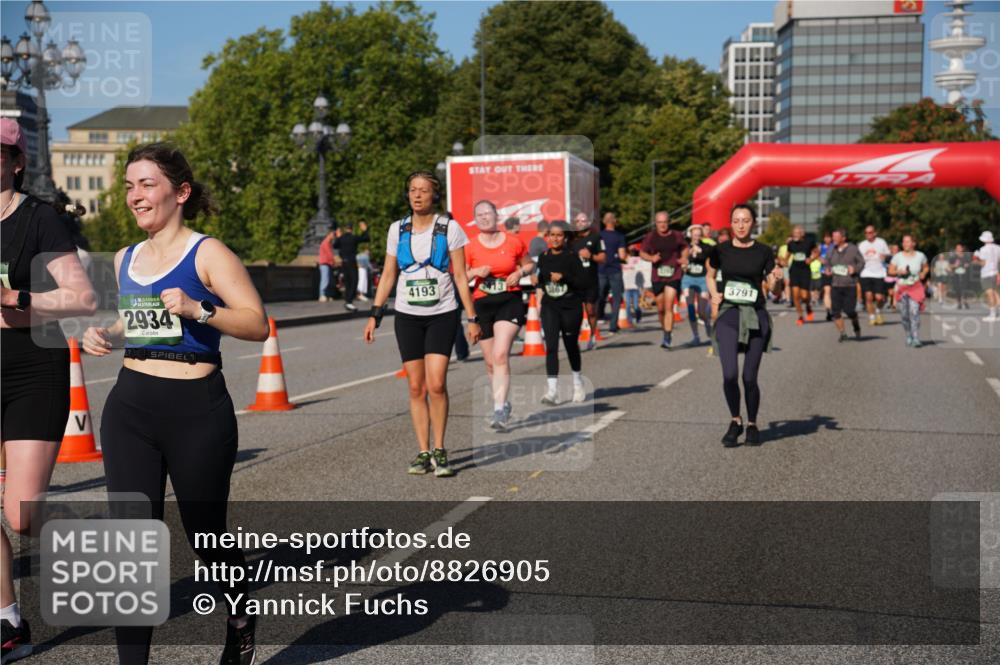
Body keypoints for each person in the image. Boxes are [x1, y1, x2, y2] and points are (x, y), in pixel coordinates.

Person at [81, 143, 268, 665]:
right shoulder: (124, 258)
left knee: (206, 539)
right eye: (128, 186)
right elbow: (140, 323)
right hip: (131, 408)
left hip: (196, 409)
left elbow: (256, 323)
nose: (134, 196)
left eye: (146, 184)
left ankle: (238, 616)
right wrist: (107, 335)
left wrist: (199, 309)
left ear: (180, 193)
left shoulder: (207, 253)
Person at [1, 119, 97, 665]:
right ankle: (10, 621)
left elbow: (82, 298)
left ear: (16, 162)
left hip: (31, 369)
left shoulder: (40, 221)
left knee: (21, 514)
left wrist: (14, 294)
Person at [363, 171, 480, 476]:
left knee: (437, 383)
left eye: (423, 191)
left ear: (433, 195)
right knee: (416, 387)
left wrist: (472, 317)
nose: (416, 195)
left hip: (442, 312)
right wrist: (375, 313)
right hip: (407, 315)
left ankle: (440, 450)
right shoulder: (397, 229)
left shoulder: (449, 228)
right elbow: (389, 274)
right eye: (412, 190)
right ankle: (423, 451)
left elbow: (459, 275)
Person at [706, 203, 781, 447]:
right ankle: (735, 420)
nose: (741, 225)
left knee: (749, 377)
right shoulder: (721, 250)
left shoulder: (763, 251)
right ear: (731, 223)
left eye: (746, 220)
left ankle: (752, 424)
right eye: (736, 220)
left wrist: (778, 279)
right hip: (729, 314)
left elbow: (772, 285)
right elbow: (709, 274)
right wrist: (713, 294)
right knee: (729, 374)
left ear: (753, 223)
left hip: (755, 314)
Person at [464, 200, 533, 430]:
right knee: (490, 362)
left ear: (497, 216)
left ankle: (499, 410)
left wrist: (520, 272)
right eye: (479, 214)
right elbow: (459, 277)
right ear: (476, 219)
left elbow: (530, 264)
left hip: (509, 301)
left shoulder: (513, 242)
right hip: (483, 304)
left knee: (501, 354)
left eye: (488, 213)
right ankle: (502, 400)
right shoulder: (470, 246)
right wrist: (474, 271)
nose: (484, 217)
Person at [534, 221, 588, 404]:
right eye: (552, 235)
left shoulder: (572, 257)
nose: (555, 238)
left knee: (570, 344)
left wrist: (564, 277)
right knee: (551, 346)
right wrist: (538, 285)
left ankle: (578, 383)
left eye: (559, 235)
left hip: (570, 305)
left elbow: (582, 283)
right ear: (547, 237)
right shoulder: (543, 257)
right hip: (550, 306)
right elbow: (541, 281)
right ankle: (552, 391)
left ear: (564, 237)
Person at [639, 210, 688, 349]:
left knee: (669, 305)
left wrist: (684, 257)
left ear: (669, 222)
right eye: (659, 222)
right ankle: (665, 330)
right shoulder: (651, 236)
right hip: (657, 275)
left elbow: (685, 247)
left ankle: (667, 336)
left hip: (674, 272)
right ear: (656, 223)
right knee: (660, 308)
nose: (662, 225)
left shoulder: (677, 235)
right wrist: (651, 258)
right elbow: (642, 252)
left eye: (665, 222)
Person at [570, 212, 605, 349]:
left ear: (588, 223)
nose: (581, 223)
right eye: (578, 221)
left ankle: (592, 336)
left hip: (590, 281)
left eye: (583, 221)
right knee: (575, 313)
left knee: (590, 310)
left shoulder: (596, 238)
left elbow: (603, 258)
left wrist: (590, 256)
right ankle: (575, 340)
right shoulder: (571, 240)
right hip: (574, 282)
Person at [888, 234, 929, 347]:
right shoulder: (898, 256)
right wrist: (899, 272)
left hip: (916, 287)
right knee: (905, 315)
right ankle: (908, 335)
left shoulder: (921, 255)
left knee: (914, 312)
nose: (905, 244)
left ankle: (916, 337)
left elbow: (926, 267)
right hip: (902, 287)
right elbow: (890, 271)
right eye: (904, 242)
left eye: (908, 241)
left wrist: (923, 273)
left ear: (913, 243)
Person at [825, 228, 864, 342]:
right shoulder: (831, 249)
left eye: (836, 237)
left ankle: (855, 323)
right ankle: (843, 333)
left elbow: (861, 262)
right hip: (836, 285)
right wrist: (827, 269)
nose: (833, 239)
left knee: (849, 311)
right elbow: (827, 262)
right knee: (835, 312)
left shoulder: (853, 249)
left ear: (843, 238)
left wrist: (855, 269)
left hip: (850, 285)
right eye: (833, 237)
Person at [681, 224, 712, 346]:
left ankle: (707, 324)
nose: (696, 237)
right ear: (690, 235)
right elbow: (681, 258)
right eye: (694, 235)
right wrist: (687, 256)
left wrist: (701, 251)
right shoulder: (685, 247)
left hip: (702, 279)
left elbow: (711, 254)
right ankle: (696, 336)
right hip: (688, 279)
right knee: (690, 309)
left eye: (699, 235)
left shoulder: (706, 246)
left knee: (702, 311)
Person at [597, 212, 627, 334]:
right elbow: (622, 255)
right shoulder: (619, 236)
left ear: (604, 222)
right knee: (616, 298)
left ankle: (598, 317)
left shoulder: (598, 235)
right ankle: (613, 326)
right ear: (615, 221)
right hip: (615, 269)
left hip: (600, 269)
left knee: (600, 295)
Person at [858, 225, 891, 326]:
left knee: (879, 297)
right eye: (866, 233)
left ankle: (878, 311)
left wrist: (884, 256)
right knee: (868, 297)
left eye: (870, 232)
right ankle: (872, 317)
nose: (868, 234)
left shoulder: (881, 242)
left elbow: (889, 254)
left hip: (879, 273)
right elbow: (857, 258)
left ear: (875, 233)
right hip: (866, 273)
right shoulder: (862, 245)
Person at [334, 220, 369, 311]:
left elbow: (335, 245)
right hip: (351, 262)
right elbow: (366, 238)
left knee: (347, 282)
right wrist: (365, 230)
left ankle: (348, 301)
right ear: (352, 229)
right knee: (354, 281)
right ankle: (349, 301)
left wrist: (338, 237)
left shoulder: (341, 238)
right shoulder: (353, 238)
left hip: (344, 262)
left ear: (345, 229)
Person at [785, 225, 815, 325]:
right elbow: (788, 255)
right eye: (794, 233)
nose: (795, 235)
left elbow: (817, 252)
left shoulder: (809, 242)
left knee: (805, 296)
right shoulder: (791, 244)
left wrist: (811, 259)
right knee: (796, 295)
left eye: (797, 233)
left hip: (805, 271)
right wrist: (784, 261)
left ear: (802, 234)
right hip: (794, 271)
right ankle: (800, 316)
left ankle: (808, 307)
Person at [973, 230, 1000, 321]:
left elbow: (983, 263)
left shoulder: (983, 250)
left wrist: (976, 259)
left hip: (986, 273)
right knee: (996, 293)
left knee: (989, 293)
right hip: (995, 272)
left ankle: (992, 315)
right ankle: (997, 314)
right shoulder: (998, 248)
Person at [949, 243, 973, 310]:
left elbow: (970, 264)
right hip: (956, 275)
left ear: (962, 248)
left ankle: (965, 301)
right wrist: (954, 265)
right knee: (957, 289)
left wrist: (967, 265)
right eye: (957, 248)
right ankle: (959, 303)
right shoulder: (953, 257)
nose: (958, 249)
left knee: (964, 289)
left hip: (965, 275)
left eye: (959, 248)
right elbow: (949, 266)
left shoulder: (966, 256)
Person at [317, 229, 335, 302]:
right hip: (324, 263)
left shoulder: (328, 243)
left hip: (327, 263)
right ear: (329, 234)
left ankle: (327, 295)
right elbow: (329, 254)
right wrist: (334, 261)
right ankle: (322, 295)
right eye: (333, 235)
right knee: (325, 280)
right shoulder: (326, 243)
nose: (334, 236)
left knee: (328, 280)